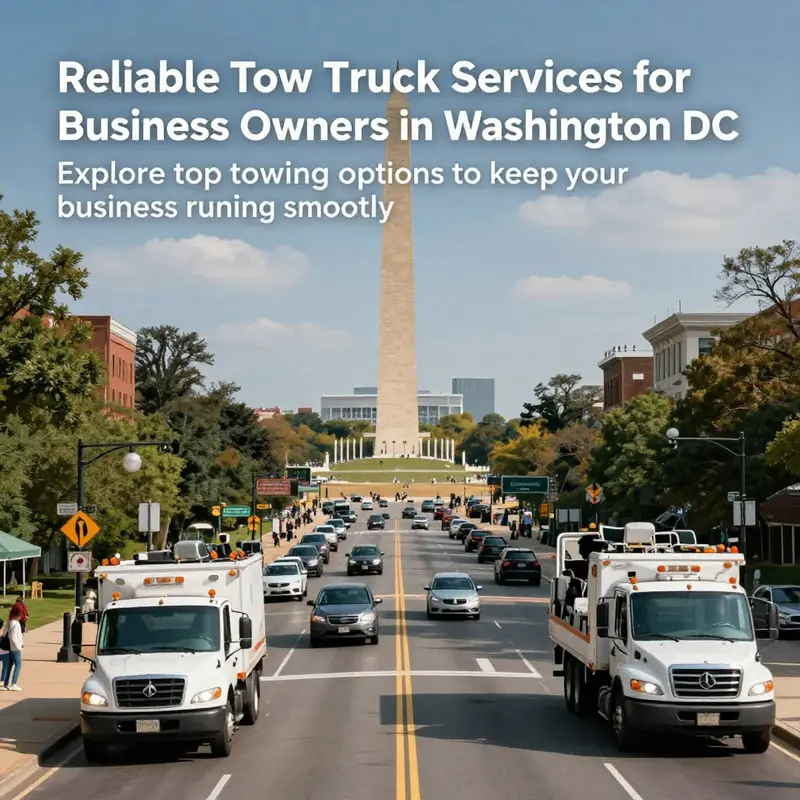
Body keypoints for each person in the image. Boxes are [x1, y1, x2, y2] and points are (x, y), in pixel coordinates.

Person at [0, 607, 25, 691]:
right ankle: (13, 683)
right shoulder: (15, 624)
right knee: (18, 665)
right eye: (20, 614)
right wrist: (19, 647)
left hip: (11, 648)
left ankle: (6, 683)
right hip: (15, 648)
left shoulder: (10, 622)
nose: (21, 615)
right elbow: (14, 637)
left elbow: (6, 635)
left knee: (10, 665)